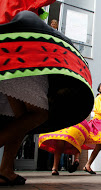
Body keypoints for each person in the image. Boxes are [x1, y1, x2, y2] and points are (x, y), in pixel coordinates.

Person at [0, 0, 94, 186]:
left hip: (9, 48)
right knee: (38, 114)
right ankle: (5, 169)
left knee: (23, 119)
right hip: (25, 49)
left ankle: (6, 170)